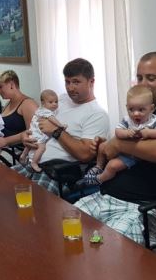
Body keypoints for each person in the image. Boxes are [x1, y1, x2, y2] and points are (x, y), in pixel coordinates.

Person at [74, 52, 156, 244]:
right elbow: (122, 140)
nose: (143, 84)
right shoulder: (139, 107)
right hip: (107, 195)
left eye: (151, 78)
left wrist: (119, 143)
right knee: (66, 227)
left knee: (106, 247)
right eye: (139, 77)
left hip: (143, 206)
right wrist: (107, 144)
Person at [12, 58, 109, 194]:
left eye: (76, 82)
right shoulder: (61, 100)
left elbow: (85, 154)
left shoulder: (97, 114)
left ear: (91, 82)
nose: (70, 88)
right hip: (32, 160)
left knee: (30, 200)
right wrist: (26, 136)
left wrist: (56, 131)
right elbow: (39, 119)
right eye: (67, 82)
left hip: (57, 173)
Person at [81, 85, 156, 185]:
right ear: (126, 107)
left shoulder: (153, 121)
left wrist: (149, 132)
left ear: (151, 108)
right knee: (102, 146)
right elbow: (118, 131)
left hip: (135, 155)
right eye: (131, 109)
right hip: (122, 149)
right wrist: (126, 133)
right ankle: (98, 166)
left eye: (141, 110)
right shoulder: (128, 120)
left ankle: (99, 179)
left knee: (112, 166)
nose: (135, 114)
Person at [0, 70, 38, 156]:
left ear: (11, 85)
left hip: (17, 151)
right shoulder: (8, 103)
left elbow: (32, 133)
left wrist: (6, 141)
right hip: (2, 146)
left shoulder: (28, 104)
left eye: (0, 87)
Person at [19, 89, 64, 172]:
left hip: (32, 132)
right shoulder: (46, 111)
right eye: (51, 102)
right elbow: (52, 119)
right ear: (43, 103)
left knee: (30, 144)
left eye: (56, 102)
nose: (54, 104)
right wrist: (60, 125)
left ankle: (23, 154)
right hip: (38, 134)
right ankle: (34, 162)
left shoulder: (39, 110)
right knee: (41, 147)